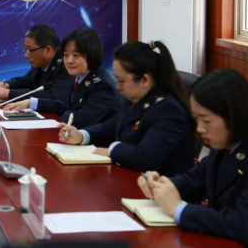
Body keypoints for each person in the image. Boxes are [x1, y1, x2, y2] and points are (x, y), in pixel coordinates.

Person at [138, 69, 248, 248]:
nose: (199, 128)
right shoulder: (227, 142)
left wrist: (178, 209)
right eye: (196, 119)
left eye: (206, 121)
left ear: (235, 117)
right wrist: (161, 184)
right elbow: (195, 181)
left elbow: (242, 225)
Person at [58, 40, 195, 176]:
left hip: (160, 185)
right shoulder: (135, 98)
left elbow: (144, 158)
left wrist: (112, 149)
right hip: (129, 174)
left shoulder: (168, 110)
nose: (118, 87)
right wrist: (81, 136)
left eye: (121, 81)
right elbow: (110, 127)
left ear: (145, 80)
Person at [3, 28, 118, 128]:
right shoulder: (79, 76)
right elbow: (64, 105)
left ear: (92, 55)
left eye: (76, 55)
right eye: (66, 55)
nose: (69, 60)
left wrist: (63, 113)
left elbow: (78, 120)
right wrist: (31, 103)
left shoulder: (102, 85)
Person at [0, 24, 71, 101]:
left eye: (29, 50)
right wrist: (7, 85)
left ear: (48, 50)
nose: (26, 55)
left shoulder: (66, 65)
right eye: (25, 49)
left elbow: (53, 97)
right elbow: (28, 80)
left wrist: (9, 93)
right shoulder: (40, 62)